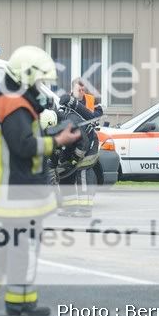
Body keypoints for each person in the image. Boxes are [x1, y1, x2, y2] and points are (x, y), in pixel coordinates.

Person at [0, 46, 80, 316]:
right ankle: (20, 301)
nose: (41, 86)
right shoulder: (16, 105)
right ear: (26, 76)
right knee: (25, 244)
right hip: (18, 187)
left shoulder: (4, 97)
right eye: (38, 80)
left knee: (9, 238)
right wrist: (58, 141)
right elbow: (24, 146)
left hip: (5, 184)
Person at [56, 78, 103, 218]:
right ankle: (69, 208)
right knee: (64, 171)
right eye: (79, 89)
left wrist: (76, 158)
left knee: (82, 171)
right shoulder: (61, 113)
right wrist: (57, 162)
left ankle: (85, 210)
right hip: (75, 141)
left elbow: (83, 141)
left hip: (89, 142)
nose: (82, 92)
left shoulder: (74, 112)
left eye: (83, 89)